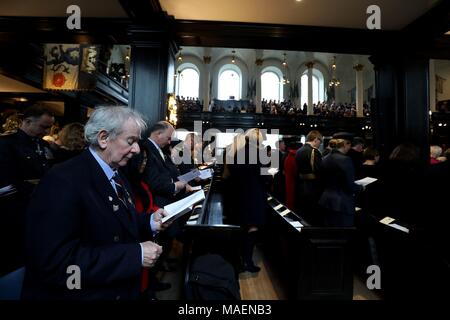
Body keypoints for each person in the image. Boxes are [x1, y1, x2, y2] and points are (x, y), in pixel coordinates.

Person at [22, 106, 168, 300]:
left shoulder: (116, 172)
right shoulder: (63, 180)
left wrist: (149, 221)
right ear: (103, 138)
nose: (137, 149)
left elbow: (113, 222)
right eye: (130, 141)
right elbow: (56, 263)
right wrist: (134, 255)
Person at [0, 105, 55, 277]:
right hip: (15, 211)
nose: (46, 131)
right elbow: (5, 182)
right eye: (43, 127)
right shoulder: (6, 144)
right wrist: (39, 188)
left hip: (38, 209)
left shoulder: (43, 144)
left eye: (49, 127)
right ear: (27, 121)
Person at [226, 129, 269, 273]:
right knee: (252, 228)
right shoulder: (259, 154)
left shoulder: (238, 152)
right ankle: (248, 262)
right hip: (254, 196)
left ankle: (239, 261)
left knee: (243, 228)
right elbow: (265, 178)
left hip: (239, 195)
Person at [319, 134, 363, 227]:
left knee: (330, 235)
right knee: (344, 236)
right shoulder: (345, 160)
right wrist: (361, 187)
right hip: (342, 204)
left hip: (326, 201)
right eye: (349, 145)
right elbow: (350, 186)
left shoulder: (325, 158)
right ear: (345, 144)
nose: (349, 148)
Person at [295, 130, 323, 224]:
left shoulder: (299, 151)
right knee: (313, 215)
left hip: (301, 185)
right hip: (313, 187)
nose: (320, 144)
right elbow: (319, 172)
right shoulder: (314, 151)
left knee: (304, 213)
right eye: (320, 141)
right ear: (315, 139)